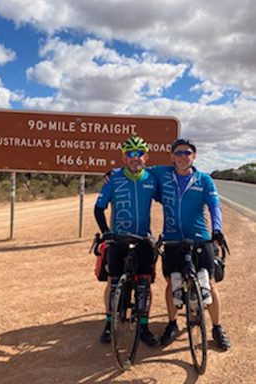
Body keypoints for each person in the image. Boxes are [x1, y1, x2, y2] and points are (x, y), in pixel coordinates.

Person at [149, 139, 230, 350]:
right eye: (178, 153)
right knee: (171, 283)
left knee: (209, 283)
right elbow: (137, 170)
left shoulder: (204, 180)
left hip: (200, 237)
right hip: (173, 239)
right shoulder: (162, 174)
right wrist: (113, 174)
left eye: (187, 153)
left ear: (194, 156)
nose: (182, 156)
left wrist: (217, 229)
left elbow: (214, 206)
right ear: (171, 156)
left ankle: (217, 327)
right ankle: (172, 324)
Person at [94, 136, 159, 347]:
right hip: (118, 237)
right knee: (113, 281)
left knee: (144, 283)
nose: (135, 158)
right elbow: (99, 208)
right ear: (124, 157)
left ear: (146, 157)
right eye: (130, 154)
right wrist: (105, 232)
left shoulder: (151, 179)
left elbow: (170, 197)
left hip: (143, 237)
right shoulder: (113, 178)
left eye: (139, 153)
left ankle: (144, 326)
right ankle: (108, 323)